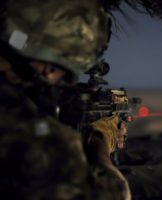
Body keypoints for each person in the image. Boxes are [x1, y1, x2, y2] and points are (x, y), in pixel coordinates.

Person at [0, 0, 130, 199]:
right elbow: (109, 194)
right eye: (67, 75)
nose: (64, 83)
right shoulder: (28, 133)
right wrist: (101, 142)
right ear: (49, 68)